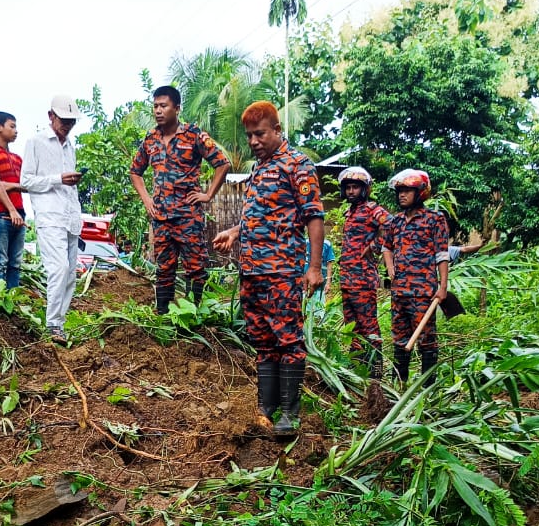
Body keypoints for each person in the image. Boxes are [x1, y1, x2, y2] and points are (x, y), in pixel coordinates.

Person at [212, 101, 324, 438]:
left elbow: (314, 217)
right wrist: (234, 232)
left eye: (260, 134)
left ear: (277, 130)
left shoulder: (297, 165)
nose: (253, 141)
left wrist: (314, 267)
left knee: (287, 340)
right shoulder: (259, 170)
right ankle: (266, 407)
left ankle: (289, 412)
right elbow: (259, 217)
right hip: (252, 271)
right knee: (263, 340)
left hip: (282, 271)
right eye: (249, 135)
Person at [130, 85, 230, 314]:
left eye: (163, 106)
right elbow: (135, 171)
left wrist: (208, 195)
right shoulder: (151, 139)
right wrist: (147, 200)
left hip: (188, 217)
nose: (158, 111)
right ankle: (163, 315)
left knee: (195, 268)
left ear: (176, 108)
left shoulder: (193, 135)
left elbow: (222, 164)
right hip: (161, 218)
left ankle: (194, 314)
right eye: (155, 106)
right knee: (164, 269)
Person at [21, 95, 84, 344]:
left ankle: (60, 324)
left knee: (70, 275)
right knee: (59, 269)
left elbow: (70, 187)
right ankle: (53, 324)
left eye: (71, 121)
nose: (67, 125)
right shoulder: (35, 142)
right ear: (51, 116)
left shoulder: (70, 147)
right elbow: (26, 181)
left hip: (70, 215)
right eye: (63, 120)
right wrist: (58, 179)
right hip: (49, 216)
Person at [382, 168, 448, 385]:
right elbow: (386, 247)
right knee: (399, 338)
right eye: (399, 191)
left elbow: (442, 254)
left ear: (420, 193)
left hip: (423, 292)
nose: (402, 195)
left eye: (407, 191)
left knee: (426, 340)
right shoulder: (395, 222)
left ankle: (428, 387)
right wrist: (390, 267)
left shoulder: (434, 220)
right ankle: (399, 385)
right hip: (399, 292)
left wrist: (443, 287)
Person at [335, 166, 393, 379]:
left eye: (355, 187)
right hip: (347, 279)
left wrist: (375, 246)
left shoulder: (372, 210)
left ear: (365, 189)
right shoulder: (349, 212)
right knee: (352, 326)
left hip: (363, 279)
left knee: (368, 325)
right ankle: (357, 368)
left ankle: (376, 371)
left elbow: (392, 225)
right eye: (348, 187)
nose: (351, 191)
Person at [0, 111, 26, 290]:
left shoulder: (18, 159)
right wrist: (12, 210)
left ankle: (13, 300)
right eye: (12, 126)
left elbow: (27, 185)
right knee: (0, 262)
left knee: (15, 263)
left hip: (20, 214)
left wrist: (8, 185)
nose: (16, 131)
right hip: (2, 215)